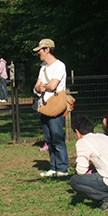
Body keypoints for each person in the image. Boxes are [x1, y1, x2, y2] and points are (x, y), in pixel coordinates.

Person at [69, 116, 108, 211]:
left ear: (77, 132)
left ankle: (107, 197)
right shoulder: (103, 136)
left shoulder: (83, 142)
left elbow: (81, 170)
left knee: (75, 180)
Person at [33, 38, 69, 177]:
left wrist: (43, 87)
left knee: (57, 138)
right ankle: (53, 167)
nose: (39, 54)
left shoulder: (59, 66)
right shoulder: (43, 68)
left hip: (55, 107)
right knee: (49, 139)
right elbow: (36, 86)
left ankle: (62, 169)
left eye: (40, 50)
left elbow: (53, 85)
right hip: (44, 106)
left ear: (47, 50)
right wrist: (42, 87)